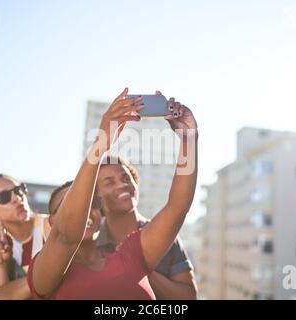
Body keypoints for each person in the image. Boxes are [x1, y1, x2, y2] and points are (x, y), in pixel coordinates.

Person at [26, 87, 198, 299]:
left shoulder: (130, 255)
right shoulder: (44, 273)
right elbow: (66, 236)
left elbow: (177, 208)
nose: (84, 212)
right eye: (68, 207)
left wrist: (189, 139)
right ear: (51, 223)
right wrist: (101, 145)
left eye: (90, 204)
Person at [95, 154, 198, 300]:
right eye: (109, 183)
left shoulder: (166, 236)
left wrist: (142, 268)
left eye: (126, 178)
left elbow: (189, 297)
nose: (122, 184)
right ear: (96, 197)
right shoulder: (89, 243)